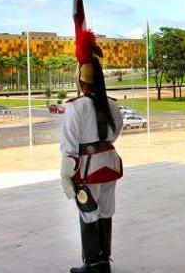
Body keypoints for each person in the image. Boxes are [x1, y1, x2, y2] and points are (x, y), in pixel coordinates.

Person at [60, 29, 123, 273]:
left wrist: (66, 175)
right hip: (109, 166)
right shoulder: (112, 104)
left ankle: (93, 265)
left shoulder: (76, 108)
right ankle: (104, 261)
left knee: (88, 212)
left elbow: (69, 145)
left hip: (87, 170)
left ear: (81, 81)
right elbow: (115, 132)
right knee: (106, 212)